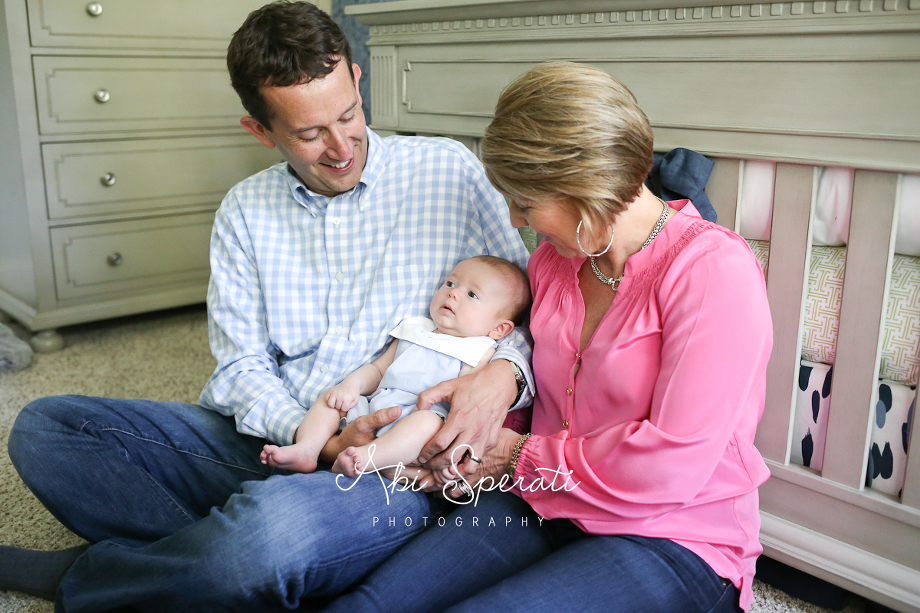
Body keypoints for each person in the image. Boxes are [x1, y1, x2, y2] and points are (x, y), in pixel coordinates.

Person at [1, 2, 532, 610]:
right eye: (309, 134)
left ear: (357, 80)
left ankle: (97, 575)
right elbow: (240, 369)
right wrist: (319, 441)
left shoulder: (448, 172)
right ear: (261, 131)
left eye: (349, 115)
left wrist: (504, 375)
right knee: (46, 429)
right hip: (278, 441)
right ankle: (245, 560)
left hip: (389, 465)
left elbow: (528, 310)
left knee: (261, 541)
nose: (341, 148)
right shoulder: (244, 212)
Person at [322, 61, 773, 613]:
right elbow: (540, 392)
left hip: (672, 533)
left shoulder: (713, 270)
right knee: (370, 604)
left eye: (526, 202)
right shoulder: (553, 264)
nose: (516, 220)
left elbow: (670, 465)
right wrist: (459, 445)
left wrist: (515, 457)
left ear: (586, 191)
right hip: (542, 501)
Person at [260, 255, 531, 478]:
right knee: (332, 398)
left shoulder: (482, 352)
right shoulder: (415, 328)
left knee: (427, 423)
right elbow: (378, 370)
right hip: (375, 407)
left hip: (420, 421)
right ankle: (307, 449)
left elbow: (468, 398)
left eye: (472, 294)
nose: (454, 293)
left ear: (499, 328)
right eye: (450, 283)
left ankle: (368, 459)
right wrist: (351, 386)